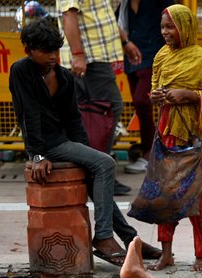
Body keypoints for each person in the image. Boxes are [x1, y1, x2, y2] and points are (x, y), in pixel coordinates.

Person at [9, 18, 161, 266]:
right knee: (105, 164)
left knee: (96, 171)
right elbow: (29, 114)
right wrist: (36, 156)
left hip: (64, 141)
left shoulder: (65, 77)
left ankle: (131, 239)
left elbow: (74, 120)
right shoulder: (21, 71)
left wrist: (86, 152)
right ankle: (103, 238)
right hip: (46, 145)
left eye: (55, 51)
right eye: (45, 51)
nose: (52, 56)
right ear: (28, 49)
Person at [140, 4, 202, 272]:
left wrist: (189, 96)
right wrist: (156, 97)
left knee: (196, 195)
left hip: (191, 137)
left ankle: (201, 254)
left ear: (185, 28)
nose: (165, 32)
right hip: (166, 134)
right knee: (166, 195)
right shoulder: (161, 56)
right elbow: (156, 90)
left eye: (170, 27)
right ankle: (166, 253)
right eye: (163, 27)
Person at [57, 0, 132, 195]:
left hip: (95, 57)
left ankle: (93, 171)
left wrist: (125, 41)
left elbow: (101, 13)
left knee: (92, 116)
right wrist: (78, 54)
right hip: (89, 59)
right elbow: (69, 16)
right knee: (107, 110)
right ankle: (99, 171)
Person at [116, 0, 174, 174]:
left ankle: (150, 153)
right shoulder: (124, 4)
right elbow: (116, 24)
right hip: (132, 59)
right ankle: (147, 148)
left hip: (154, 57)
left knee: (143, 101)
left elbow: (172, 23)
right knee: (139, 105)